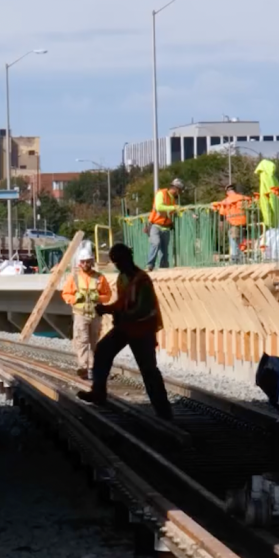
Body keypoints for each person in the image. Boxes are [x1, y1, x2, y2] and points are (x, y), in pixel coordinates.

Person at [79, 243, 173, 420]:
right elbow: (122, 303)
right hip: (126, 327)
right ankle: (98, 392)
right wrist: (109, 309)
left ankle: (164, 412)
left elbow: (143, 309)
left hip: (142, 330)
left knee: (148, 370)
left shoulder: (142, 280)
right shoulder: (122, 278)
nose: (118, 265)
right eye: (115, 262)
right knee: (102, 351)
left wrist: (117, 313)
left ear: (127, 258)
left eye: (119, 261)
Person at [61, 241, 112, 379]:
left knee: (93, 341)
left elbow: (108, 295)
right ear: (79, 263)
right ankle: (84, 367)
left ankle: (92, 367)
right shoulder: (75, 278)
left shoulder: (100, 278)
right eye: (83, 262)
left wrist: (99, 297)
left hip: (95, 315)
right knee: (82, 340)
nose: (85, 264)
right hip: (80, 314)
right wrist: (74, 298)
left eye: (87, 261)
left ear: (91, 262)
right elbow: (66, 294)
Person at [146, 178, 183, 271]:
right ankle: (150, 265)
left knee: (164, 250)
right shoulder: (161, 193)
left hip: (165, 227)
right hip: (155, 225)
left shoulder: (172, 199)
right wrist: (174, 207)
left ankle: (164, 268)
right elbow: (159, 207)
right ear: (176, 188)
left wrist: (178, 211)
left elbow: (170, 212)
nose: (180, 193)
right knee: (156, 243)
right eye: (180, 190)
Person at [212, 184, 248, 263]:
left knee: (234, 243)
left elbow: (222, 214)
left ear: (227, 192)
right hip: (244, 224)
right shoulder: (243, 198)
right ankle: (241, 259)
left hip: (233, 225)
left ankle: (235, 260)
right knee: (242, 243)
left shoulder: (226, 201)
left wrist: (221, 223)